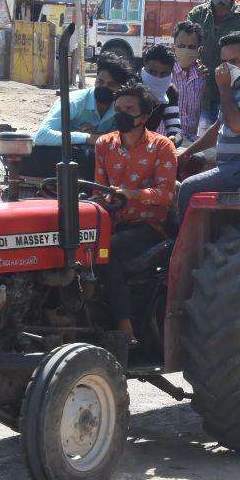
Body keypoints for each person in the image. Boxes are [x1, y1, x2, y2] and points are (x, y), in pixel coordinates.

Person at [94, 83, 178, 342]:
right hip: (112, 221)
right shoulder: (104, 144)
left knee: (108, 250)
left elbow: (166, 195)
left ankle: (124, 325)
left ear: (143, 117)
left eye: (129, 109)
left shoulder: (162, 147)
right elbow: (98, 189)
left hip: (148, 226)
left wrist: (132, 194)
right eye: (118, 108)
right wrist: (105, 198)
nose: (121, 113)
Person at [177, 32, 240, 216]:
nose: (228, 68)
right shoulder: (237, 87)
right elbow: (219, 128)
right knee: (182, 171)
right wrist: (188, 153)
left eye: (235, 61)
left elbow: (236, 125)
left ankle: (180, 242)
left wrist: (223, 87)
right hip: (235, 168)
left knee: (188, 187)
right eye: (225, 62)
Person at [27, 51, 135, 178]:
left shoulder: (122, 108)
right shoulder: (74, 101)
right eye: (100, 82)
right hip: (65, 158)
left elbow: (127, 140)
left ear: (120, 88)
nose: (103, 87)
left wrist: (104, 137)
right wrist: (89, 138)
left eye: (111, 85)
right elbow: (42, 136)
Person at [170, 20, 208, 141]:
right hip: (166, 141)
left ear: (199, 50)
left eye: (191, 47)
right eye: (181, 46)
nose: (186, 50)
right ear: (173, 47)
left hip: (191, 141)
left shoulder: (202, 76)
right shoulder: (164, 74)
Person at [140, 44, 182, 144]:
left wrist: (174, 140)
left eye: (163, 74)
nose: (157, 78)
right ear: (144, 64)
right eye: (152, 72)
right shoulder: (131, 85)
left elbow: (175, 128)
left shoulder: (169, 91)